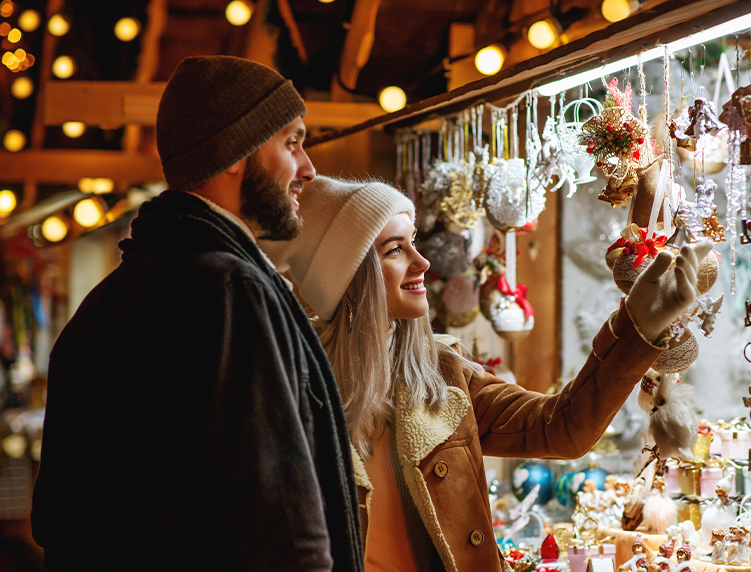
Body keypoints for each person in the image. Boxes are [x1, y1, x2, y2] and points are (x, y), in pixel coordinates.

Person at [262, 176, 713, 572]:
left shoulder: (443, 372)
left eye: (414, 242)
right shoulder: (294, 391)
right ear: (348, 275)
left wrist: (636, 327)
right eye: (395, 250)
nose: (423, 263)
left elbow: (561, 429)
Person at [32, 56, 363, 572]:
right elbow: (280, 526)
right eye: (292, 143)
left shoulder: (102, 304)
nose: (308, 169)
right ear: (235, 152)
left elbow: (56, 517)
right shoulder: (232, 291)